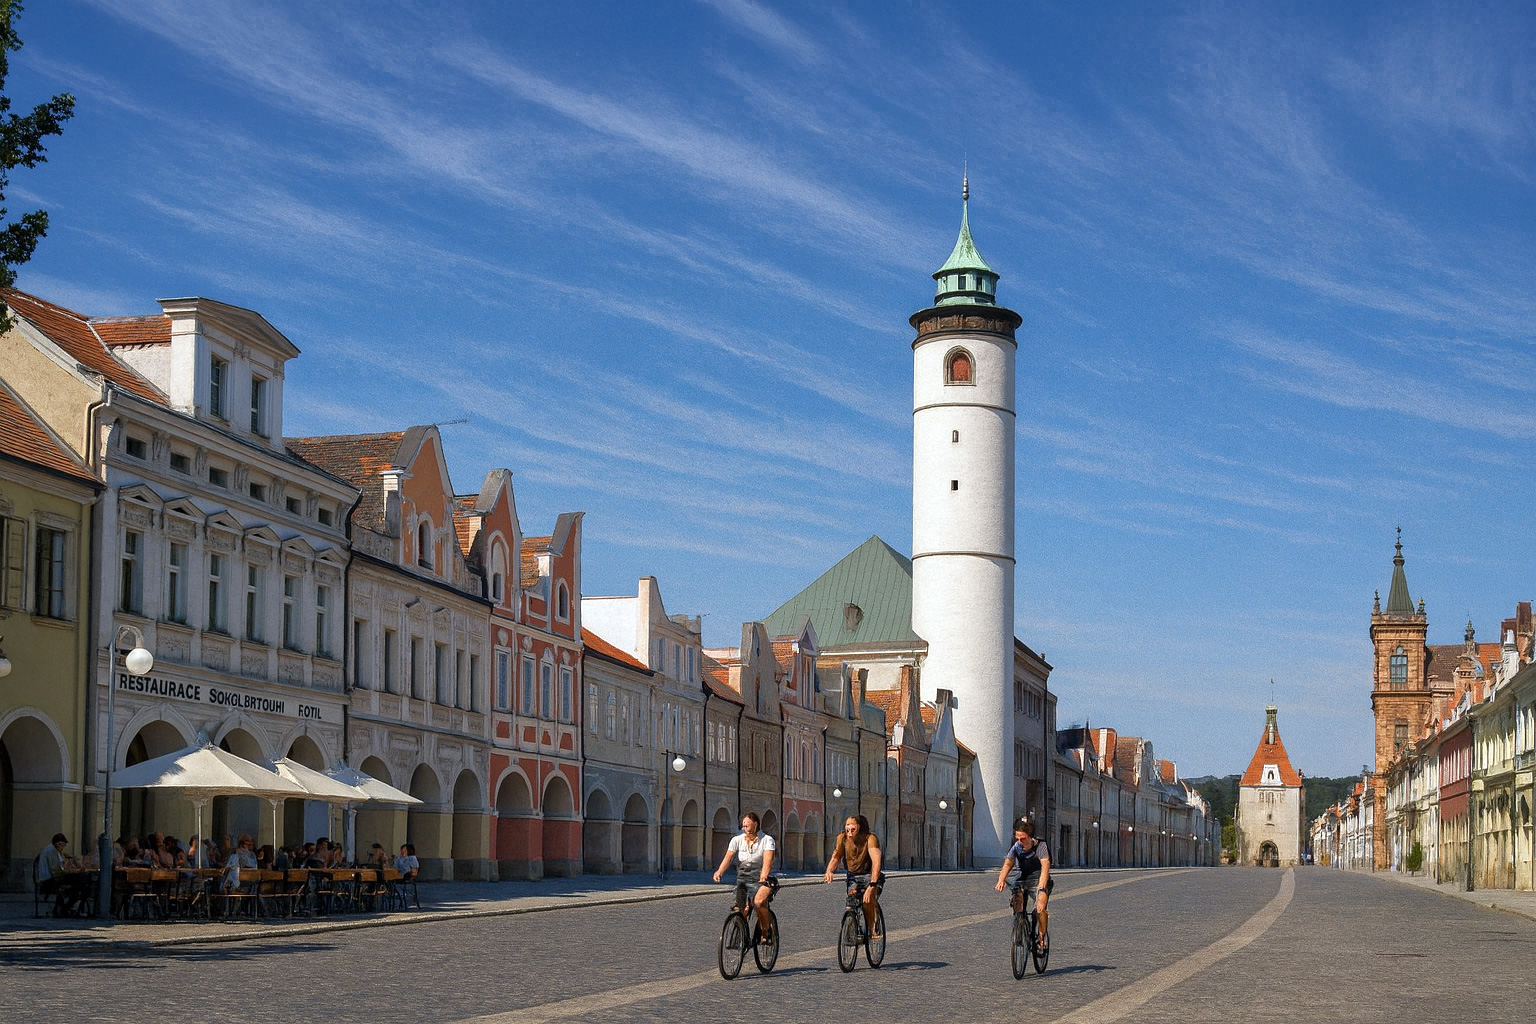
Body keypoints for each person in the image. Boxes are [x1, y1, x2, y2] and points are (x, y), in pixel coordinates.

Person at [712, 812, 776, 944]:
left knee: (758, 903)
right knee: (743, 908)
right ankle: (742, 936)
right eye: (743, 826)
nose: (745, 829)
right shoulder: (737, 840)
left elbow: (767, 861)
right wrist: (719, 871)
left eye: (747, 826)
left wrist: (763, 876)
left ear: (756, 824)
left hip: (760, 878)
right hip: (743, 878)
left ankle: (766, 931)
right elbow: (728, 857)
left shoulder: (767, 840)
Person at [994, 817, 1051, 951]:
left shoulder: (1040, 846)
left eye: (1023, 838)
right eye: (1017, 838)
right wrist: (1001, 880)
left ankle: (1041, 936)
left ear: (1030, 837)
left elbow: (1045, 867)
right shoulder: (1016, 846)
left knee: (1041, 908)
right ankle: (1019, 924)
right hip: (1021, 876)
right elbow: (1008, 863)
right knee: (1017, 900)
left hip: (1037, 876)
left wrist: (1042, 888)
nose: (1020, 841)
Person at [823, 814, 883, 939]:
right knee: (851, 901)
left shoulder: (870, 839)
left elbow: (876, 861)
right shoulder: (842, 838)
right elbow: (836, 856)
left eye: (853, 829)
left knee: (867, 901)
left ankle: (872, 929)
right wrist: (829, 870)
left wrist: (872, 884)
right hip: (853, 876)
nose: (849, 832)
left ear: (859, 828)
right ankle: (851, 927)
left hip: (870, 875)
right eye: (847, 828)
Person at [35, 833, 81, 915]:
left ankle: (64, 908)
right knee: (77, 886)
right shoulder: (51, 851)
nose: (63, 848)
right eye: (62, 845)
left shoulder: (54, 850)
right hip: (48, 880)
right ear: (58, 844)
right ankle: (66, 908)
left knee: (76, 884)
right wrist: (69, 871)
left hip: (50, 878)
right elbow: (55, 870)